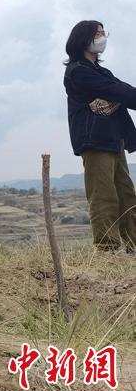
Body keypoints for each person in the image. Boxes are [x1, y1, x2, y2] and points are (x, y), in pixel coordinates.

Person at [64, 20, 136, 252]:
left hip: (114, 139)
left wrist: (115, 98)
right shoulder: (78, 71)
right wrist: (116, 97)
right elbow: (118, 92)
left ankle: (133, 245)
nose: (103, 37)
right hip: (94, 140)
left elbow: (121, 92)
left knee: (127, 195)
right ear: (83, 39)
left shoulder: (101, 71)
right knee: (104, 195)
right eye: (98, 33)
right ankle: (107, 248)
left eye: (104, 32)